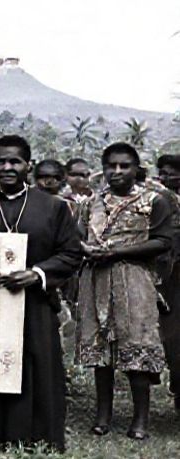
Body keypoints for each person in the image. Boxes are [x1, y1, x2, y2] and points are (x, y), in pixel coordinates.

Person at [0, 135, 81, 451]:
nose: (8, 167)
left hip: (33, 303)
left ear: (28, 165)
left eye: (15, 161)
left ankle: (33, 433)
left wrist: (37, 274)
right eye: (1, 161)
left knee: (35, 364)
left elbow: (71, 252)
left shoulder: (53, 207)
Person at [77, 142, 175, 440]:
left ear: (136, 169)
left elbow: (162, 242)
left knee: (137, 346)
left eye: (124, 166)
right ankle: (103, 415)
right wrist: (87, 250)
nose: (117, 171)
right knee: (101, 349)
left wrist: (118, 252)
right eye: (111, 166)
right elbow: (75, 236)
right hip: (96, 278)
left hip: (135, 279)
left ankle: (140, 418)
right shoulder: (91, 203)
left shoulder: (154, 201)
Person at [155, 154, 180, 410]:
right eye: (162, 172)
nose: (165, 177)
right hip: (172, 279)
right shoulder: (159, 200)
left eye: (170, 172)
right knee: (173, 338)